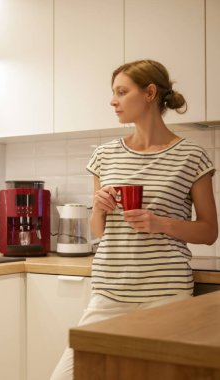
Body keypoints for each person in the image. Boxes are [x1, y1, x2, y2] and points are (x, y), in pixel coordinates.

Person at [50, 59, 218, 380]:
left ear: (150, 93)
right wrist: (98, 209)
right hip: (109, 294)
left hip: (166, 296)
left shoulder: (191, 156)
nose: (113, 101)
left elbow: (209, 230)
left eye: (122, 92)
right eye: (113, 93)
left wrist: (161, 223)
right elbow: (99, 232)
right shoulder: (104, 155)